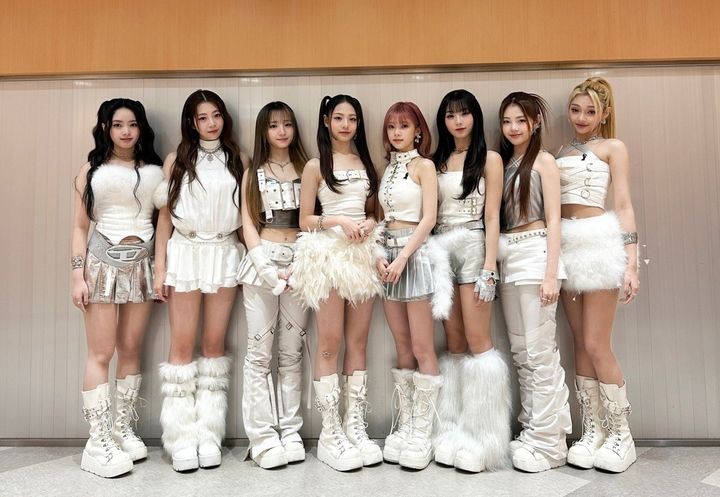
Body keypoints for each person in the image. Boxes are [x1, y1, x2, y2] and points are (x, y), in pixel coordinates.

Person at [153, 89, 248, 471]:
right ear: (191, 123)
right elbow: (164, 219)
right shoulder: (176, 160)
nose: (211, 123)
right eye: (203, 117)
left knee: (213, 345)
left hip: (224, 251)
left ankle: (209, 434)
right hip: (185, 252)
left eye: (216, 115)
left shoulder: (239, 159)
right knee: (181, 346)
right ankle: (180, 438)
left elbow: (247, 217)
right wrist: (159, 269)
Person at [71, 98, 163, 477]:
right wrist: (77, 275)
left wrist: (162, 271)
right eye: (117, 124)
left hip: (142, 265)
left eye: (132, 124)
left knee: (130, 349)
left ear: (142, 128)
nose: (126, 131)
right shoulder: (91, 170)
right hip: (100, 263)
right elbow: (80, 227)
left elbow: (165, 224)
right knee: (101, 352)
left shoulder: (156, 171)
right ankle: (97, 442)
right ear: (106, 128)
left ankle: (121, 429)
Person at [291, 94, 383, 471]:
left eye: (352, 119)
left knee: (358, 342)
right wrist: (339, 221)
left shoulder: (366, 163)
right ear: (327, 120)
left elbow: (376, 212)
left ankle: (354, 426)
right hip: (327, 256)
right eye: (339, 118)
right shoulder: (316, 165)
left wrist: (368, 224)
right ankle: (330, 433)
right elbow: (304, 220)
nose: (346, 125)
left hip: (362, 256)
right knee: (329, 343)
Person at [556, 77, 639, 473]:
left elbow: (623, 204)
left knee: (596, 342)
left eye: (590, 111)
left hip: (599, 245)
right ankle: (593, 432)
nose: (582, 117)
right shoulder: (559, 151)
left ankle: (621, 433)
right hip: (566, 247)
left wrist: (631, 262)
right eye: (576, 110)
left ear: (604, 114)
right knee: (578, 342)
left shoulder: (613, 147)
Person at [430, 89, 512, 473]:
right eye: (450, 115)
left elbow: (493, 216)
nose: (458, 121)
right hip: (441, 250)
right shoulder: (436, 161)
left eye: (464, 114)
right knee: (455, 344)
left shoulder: (490, 159)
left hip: (476, 248)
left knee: (480, 344)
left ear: (475, 117)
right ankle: (450, 431)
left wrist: (490, 267)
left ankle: (484, 440)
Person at [497, 92, 572, 473]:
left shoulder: (544, 162)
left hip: (536, 253)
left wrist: (551, 273)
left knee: (541, 353)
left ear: (535, 122)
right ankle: (532, 430)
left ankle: (550, 443)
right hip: (508, 257)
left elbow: (555, 219)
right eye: (507, 121)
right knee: (521, 353)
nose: (513, 128)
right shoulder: (504, 162)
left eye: (520, 120)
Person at [237, 101, 310, 469]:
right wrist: (265, 268)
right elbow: (247, 222)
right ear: (263, 131)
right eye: (273, 125)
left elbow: (314, 219)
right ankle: (262, 437)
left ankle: (290, 430)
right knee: (259, 353)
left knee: (292, 352)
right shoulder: (252, 172)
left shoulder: (308, 167)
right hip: (262, 262)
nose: (282, 131)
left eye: (287, 124)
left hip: (301, 262)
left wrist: (301, 262)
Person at [376, 102, 443, 470]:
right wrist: (379, 254)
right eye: (391, 127)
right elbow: (380, 218)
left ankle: (423, 431)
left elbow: (429, 218)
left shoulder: (424, 166)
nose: (397, 133)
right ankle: (405, 425)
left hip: (413, 255)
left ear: (418, 130)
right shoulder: (387, 168)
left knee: (421, 346)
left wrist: (403, 257)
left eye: (404, 126)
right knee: (401, 345)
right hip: (387, 255)